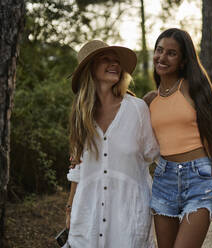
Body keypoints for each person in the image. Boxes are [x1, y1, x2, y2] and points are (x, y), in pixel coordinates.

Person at [143, 28, 212, 248]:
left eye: (171, 53)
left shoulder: (192, 88)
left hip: (198, 179)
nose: (162, 57)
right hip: (164, 179)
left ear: (183, 61)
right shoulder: (149, 101)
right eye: (159, 50)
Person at [65, 40, 159, 247]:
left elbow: (154, 155)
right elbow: (77, 169)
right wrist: (69, 210)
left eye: (116, 61)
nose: (114, 64)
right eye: (105, 59)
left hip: (129, 215)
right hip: (88, 216)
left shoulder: (137, 109)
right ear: (90, 69)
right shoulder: (81, 114)